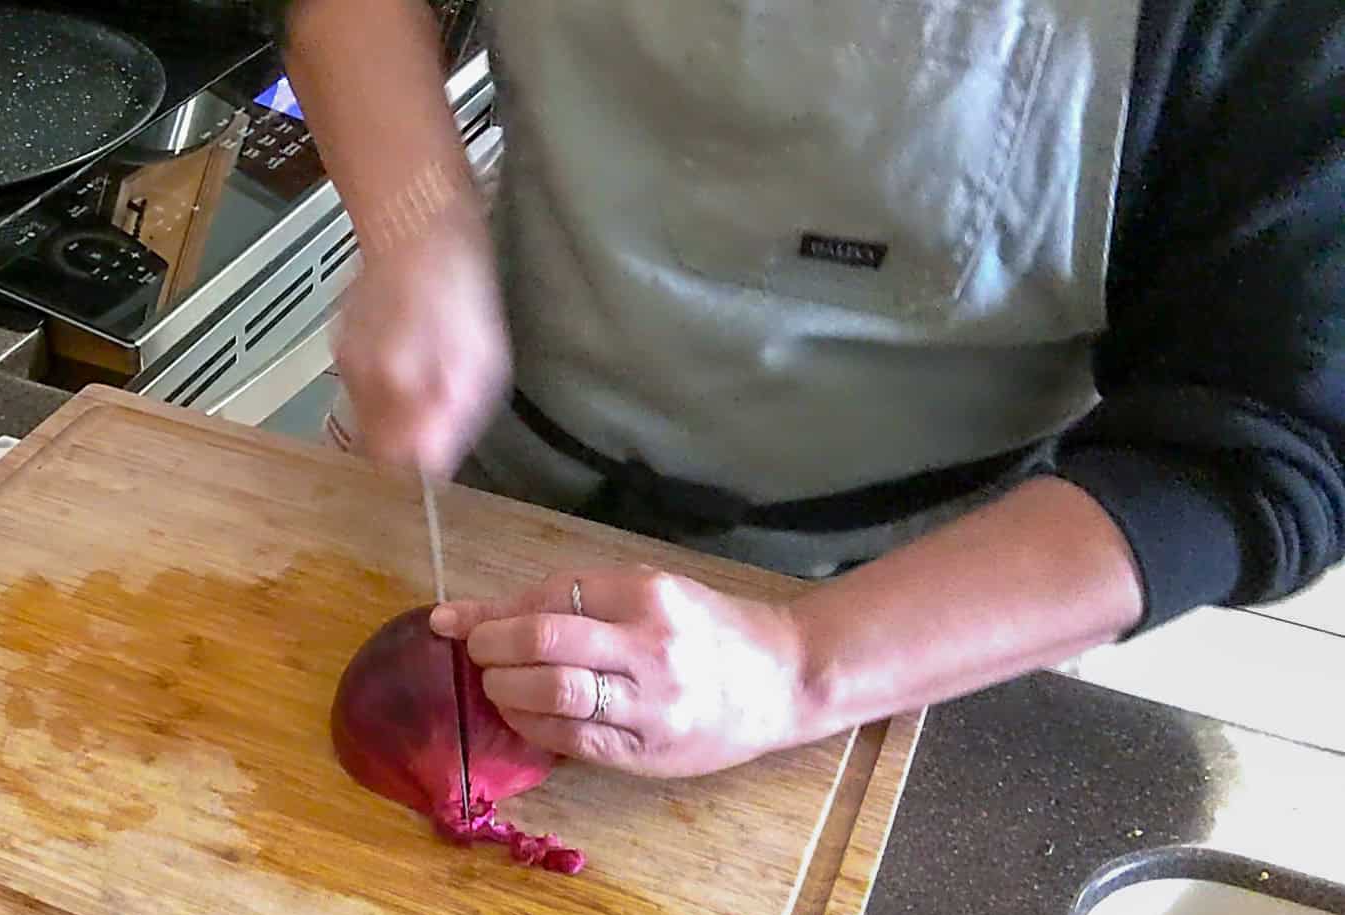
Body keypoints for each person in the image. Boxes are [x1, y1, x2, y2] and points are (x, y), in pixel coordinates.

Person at [275, 0, 1345, 778]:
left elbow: (1264, 448)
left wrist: (799, 666)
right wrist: (421, 228)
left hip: (900, 613)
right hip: (473, 488)